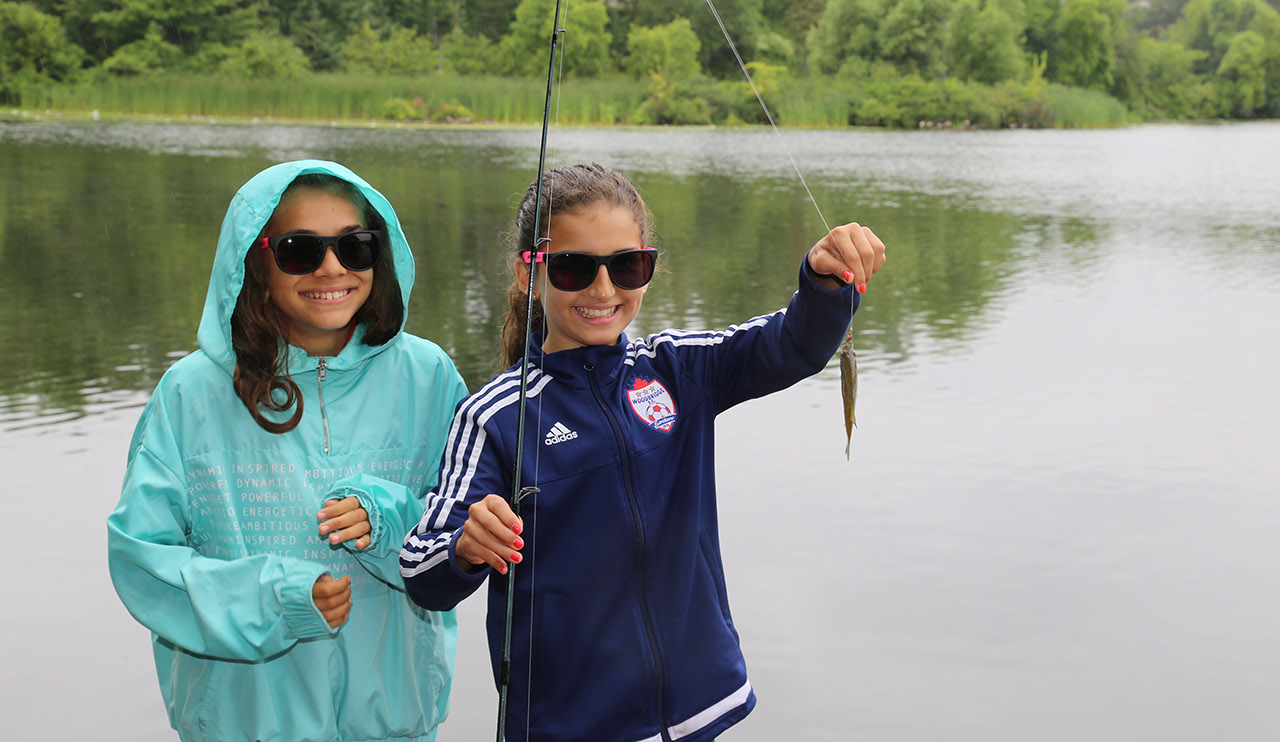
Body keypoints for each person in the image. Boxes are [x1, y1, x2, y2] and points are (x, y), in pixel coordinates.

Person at [400, 162, 885, 742]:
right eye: (574, 268)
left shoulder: (679, 369)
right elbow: (421, 569)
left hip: (701, 709)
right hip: (570, 727)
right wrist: (466, 547)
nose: (603, 290)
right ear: (530, 272)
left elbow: (791, 345)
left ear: (648, 267)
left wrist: (825, 281)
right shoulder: (496, 417)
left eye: (627, 266)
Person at [107, 160, 469, 742]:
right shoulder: (191, 392)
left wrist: (388, 521)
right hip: (243, 725)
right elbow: (140, 559)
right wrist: (274, 601)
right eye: (301, 250)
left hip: (395, 723)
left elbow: (460, 530)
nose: (332, 267)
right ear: (255, 263)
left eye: (356, 247)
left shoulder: (429, 376)